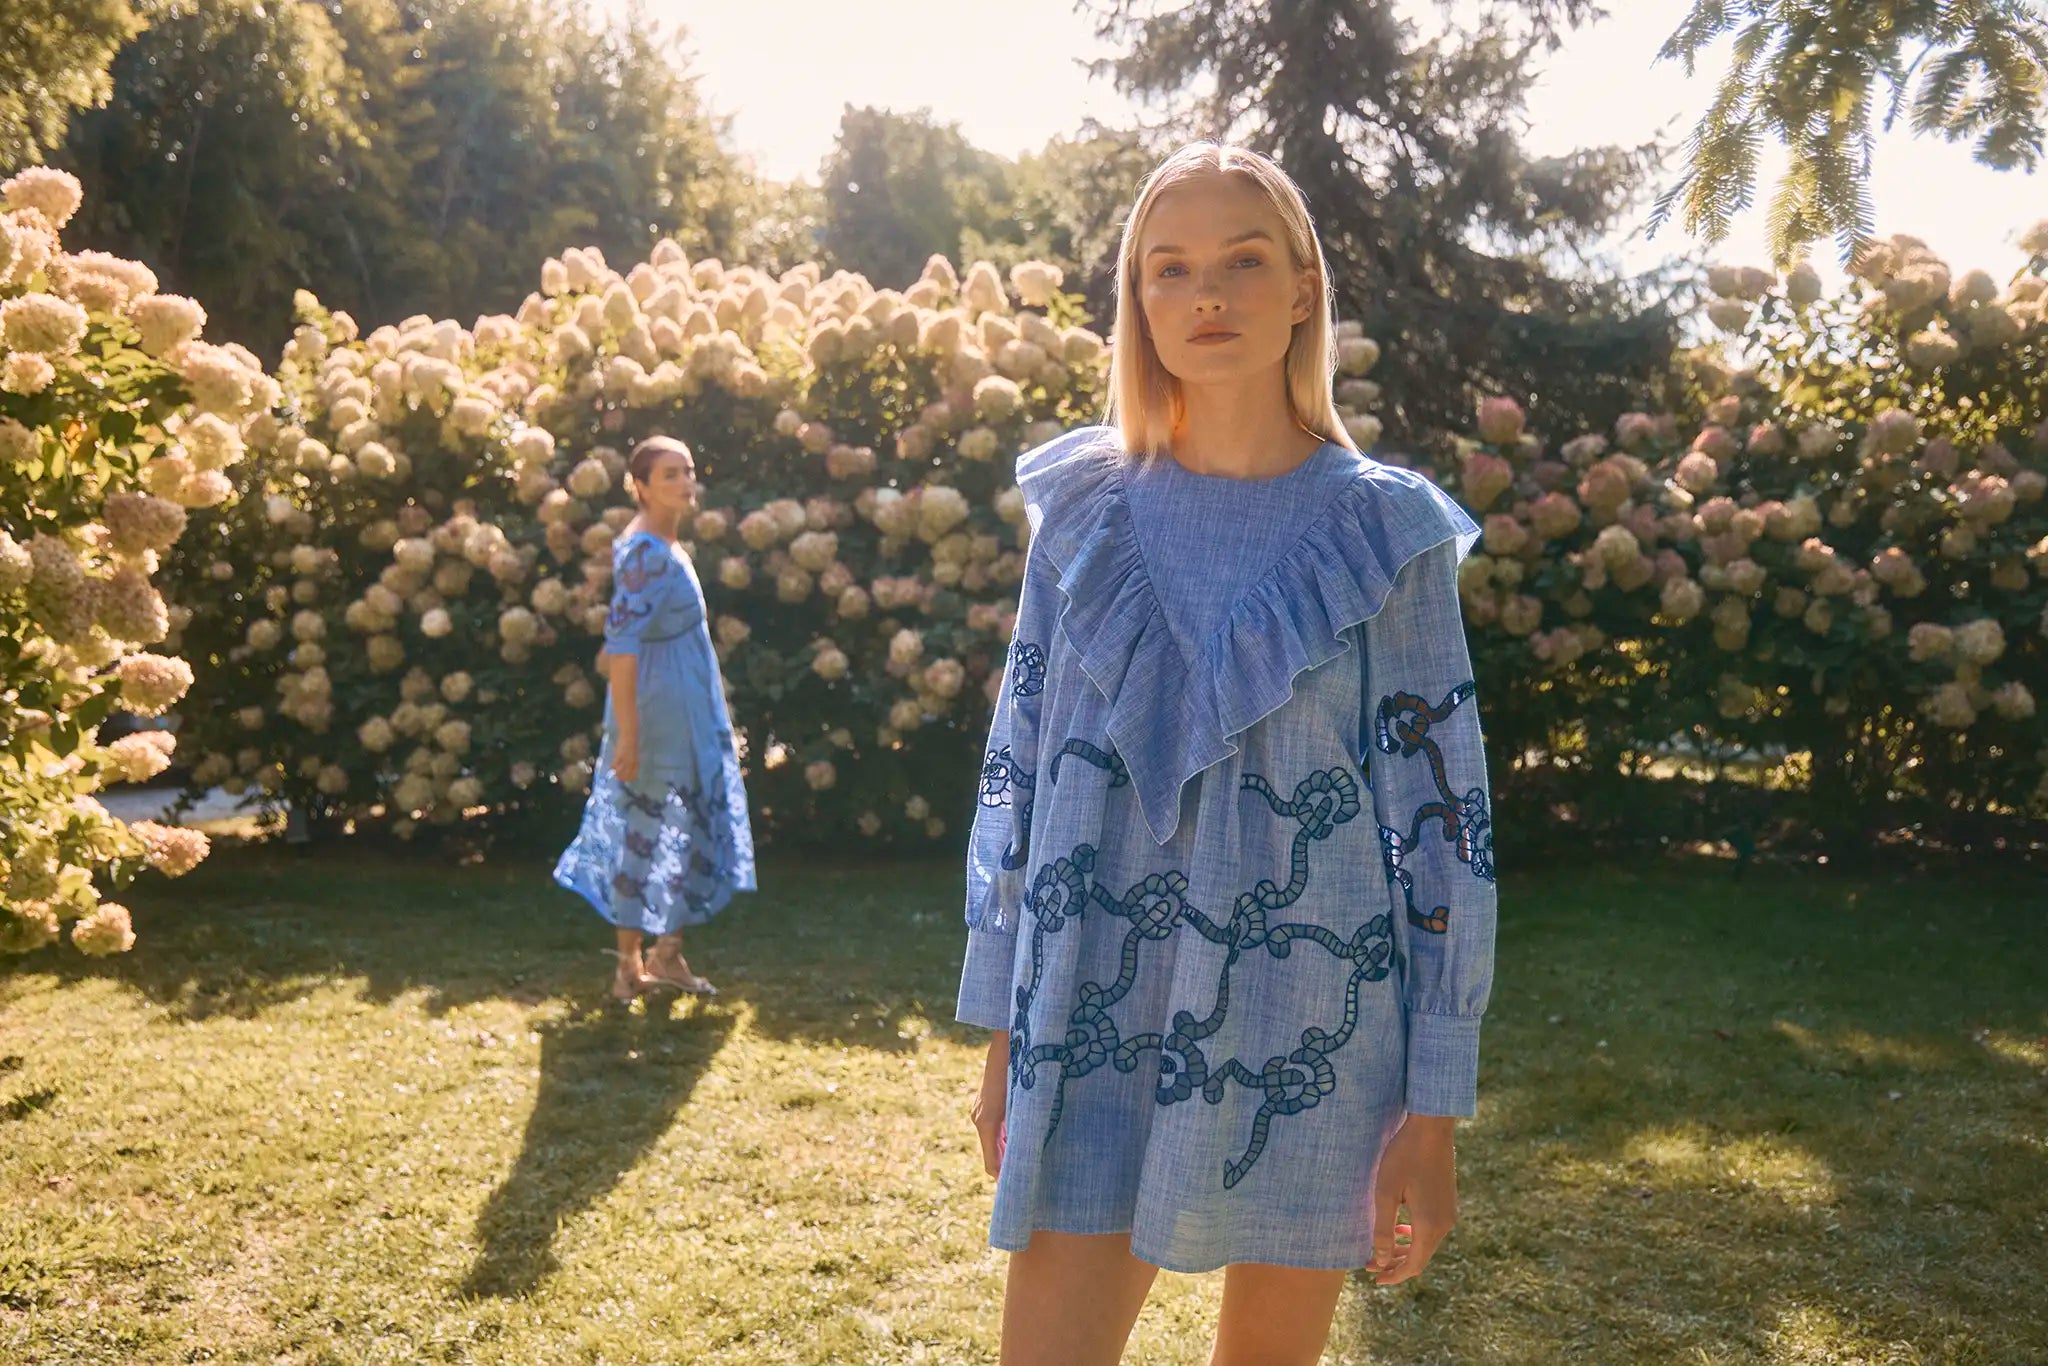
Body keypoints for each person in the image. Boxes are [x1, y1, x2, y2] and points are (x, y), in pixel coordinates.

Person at [955, 142, 1497, 1365]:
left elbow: (1443, 827)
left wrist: (1434, 1107)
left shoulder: (1382, 530)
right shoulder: (1078, 510)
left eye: (1242, 261)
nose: (1205, 293)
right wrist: (1003, 1031)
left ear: (1302, 290)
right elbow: (1019, 769)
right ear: (1136, 302)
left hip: (1308, 1026)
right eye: (1169, 268)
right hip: (1087, 1012)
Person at [554, 436, 756, 1003]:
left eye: (688, 470)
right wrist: (629, 735)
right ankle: (628, 965)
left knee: (681, 826)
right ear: (640, 486)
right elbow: (621, 648)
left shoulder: (663, 542)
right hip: (657, 712)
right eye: (670, 474)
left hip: (685, 706)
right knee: (643, 830)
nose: (685, 482)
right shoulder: (645, 554)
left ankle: (667, 954)